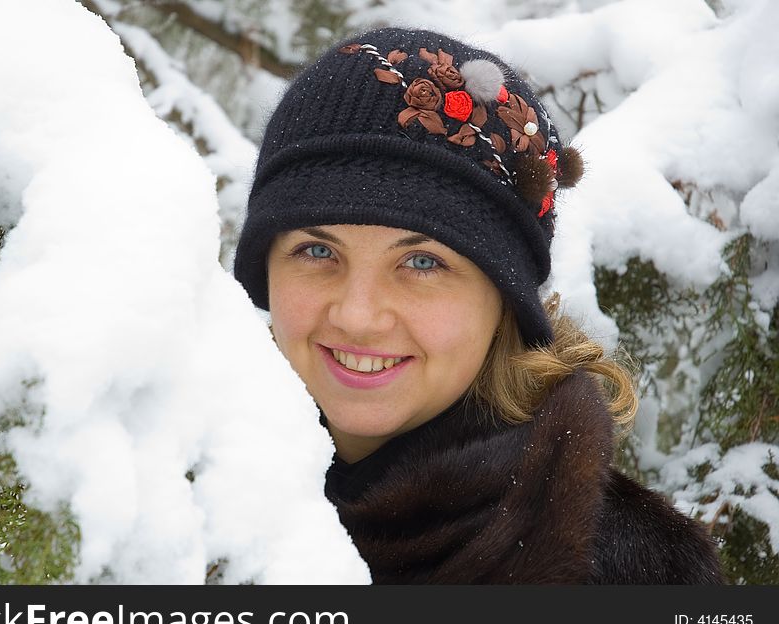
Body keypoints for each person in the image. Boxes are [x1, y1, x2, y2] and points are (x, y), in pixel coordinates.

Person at [233, 27, 725, 584]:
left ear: (505, 302)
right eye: (317, 250)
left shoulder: (638, 575)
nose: (357, 315)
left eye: (422, 263)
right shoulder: (162, 483)